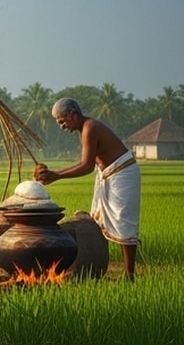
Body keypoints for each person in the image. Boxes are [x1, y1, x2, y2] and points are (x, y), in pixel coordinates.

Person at [35, 98, 140, 279]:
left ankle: (129, 273)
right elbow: (88, 163)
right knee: (99, 218)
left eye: (62, 121)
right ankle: (99, 263)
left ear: (73, 115)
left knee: (123, 221)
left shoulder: (90, 128)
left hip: (122, 174)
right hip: (107, 174)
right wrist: (55, 174)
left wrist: (57, 175)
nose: (61, 126)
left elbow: (86, 166)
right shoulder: (85, 129)